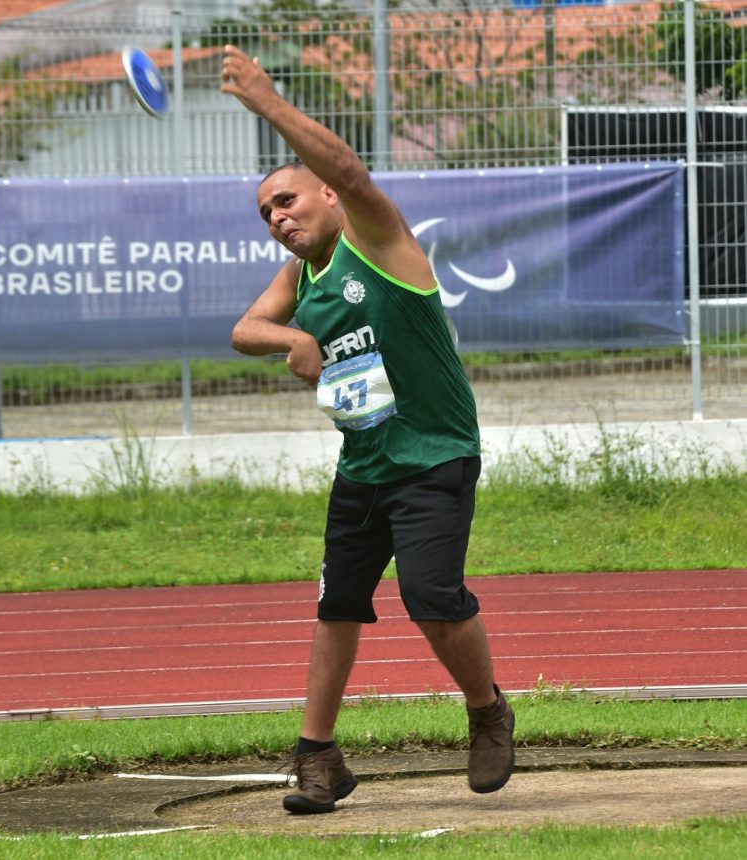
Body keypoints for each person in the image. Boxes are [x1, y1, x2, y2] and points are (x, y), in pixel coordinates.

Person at [220, 44, 515, 815]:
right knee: (337, 603)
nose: (278, 219)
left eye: (286, 201)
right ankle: (318, 755)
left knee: (430, 594)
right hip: (365, 463)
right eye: (267, 215)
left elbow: (353, 171)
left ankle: (487, 710)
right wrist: (291, 339)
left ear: (324, 193)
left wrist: (266, 102)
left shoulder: (375, 239)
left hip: (434, 453)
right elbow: (244, 329)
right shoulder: (301, 275)